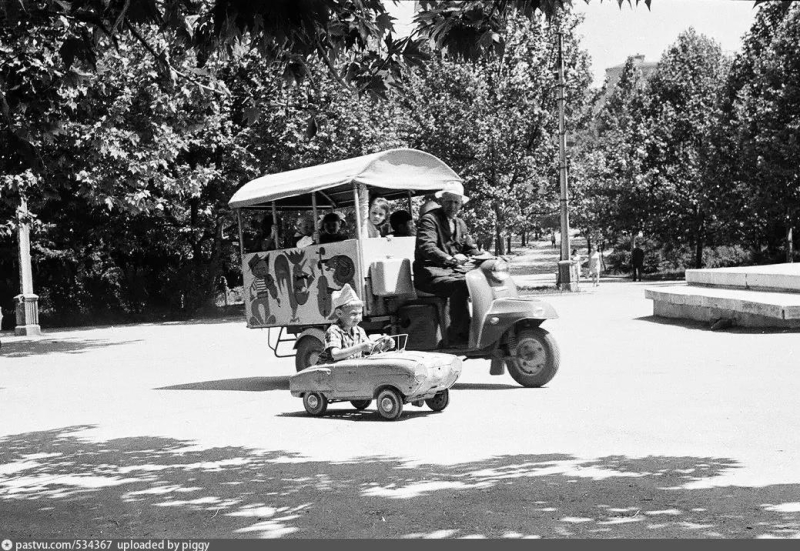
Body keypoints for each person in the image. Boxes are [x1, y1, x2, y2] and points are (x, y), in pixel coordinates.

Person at [413, 182, 480, 346]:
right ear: (441, 201)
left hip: (451, 272)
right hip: (430, 275)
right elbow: (427, 247)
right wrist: (449, 259)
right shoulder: (429, 220)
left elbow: (470, 248)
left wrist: (489, 257)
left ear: (461, 204)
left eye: (456, 202)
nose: (453, 206)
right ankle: (457, 336)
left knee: (478, 282)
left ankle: (476, 328)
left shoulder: (460, 224)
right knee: (461, 285)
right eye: (449, 201)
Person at [316, 284, 395, 365]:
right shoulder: (334, 330)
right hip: (328, 372)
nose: (358, 317)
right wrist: (360, 347)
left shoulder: (359, 331)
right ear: (339, 313)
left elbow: (370, 350)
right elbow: (335, 355)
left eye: (360, 313)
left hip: (348, 370)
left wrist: (384, 345)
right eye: (353, 314)